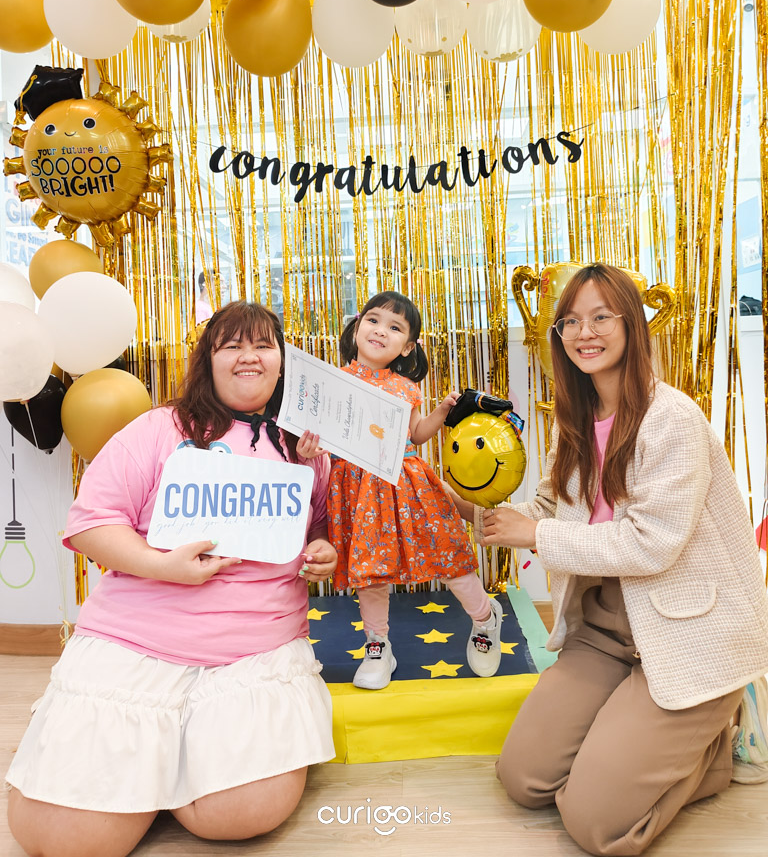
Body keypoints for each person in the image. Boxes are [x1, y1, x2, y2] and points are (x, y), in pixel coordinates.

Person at [6, 301, 337, 857]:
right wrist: (163, 566)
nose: (249, 356)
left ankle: (160, 769)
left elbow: (319, 530)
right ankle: (141, 763)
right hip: (135, 641)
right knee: (60, 840)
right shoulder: (160, 427)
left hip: (252, 653)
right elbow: (90, 524)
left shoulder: (304, 447)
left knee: (238, 816)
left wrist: (323, 550)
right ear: (208, 359)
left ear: (283, 362)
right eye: (232, 345)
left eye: (263, 345)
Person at [480, 263, 768, 856]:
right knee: (525, 779)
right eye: (570, 321)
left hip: (689, 634)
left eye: (601, 317)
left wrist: (535, 535)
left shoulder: (673, 418)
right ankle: (640, 740)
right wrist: (473, 505)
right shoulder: (576, 420)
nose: (584, 332)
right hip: (606, 629)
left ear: (632, 324)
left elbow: (651, 543)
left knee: (596, 826)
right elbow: (550, 506)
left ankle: (715, 745)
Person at [303, 290, 502, 690]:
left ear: (408, 346)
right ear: (356, 327)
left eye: (395, 327)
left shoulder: (407, 387)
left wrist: (441, 411)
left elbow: (417, 434)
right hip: (357, 491)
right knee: (371, 573)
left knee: (449, 556)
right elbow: (320, 436)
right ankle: (377, 645)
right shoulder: (332, 381)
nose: (381, 331)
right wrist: (308, 449)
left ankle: (485, 617)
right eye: (373, 320)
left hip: (409, 487)